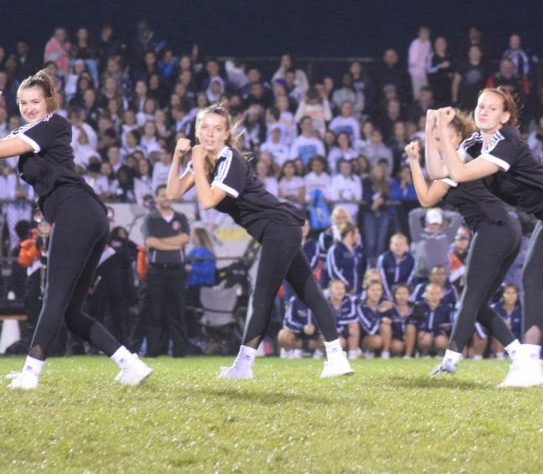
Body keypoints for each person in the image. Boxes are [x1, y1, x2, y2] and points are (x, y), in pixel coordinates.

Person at [166, 103, 353, 379]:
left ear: (227, 135)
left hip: (279, 227)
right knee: (309, 291)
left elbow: (206, 201)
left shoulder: (230, 160)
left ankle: (244, 366)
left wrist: (193, 157)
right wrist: (177, 157)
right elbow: (172, 192)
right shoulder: (205, 162)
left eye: (217, 129)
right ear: (196, 130)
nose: (209, 134)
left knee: (263, 295)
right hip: (278, 229)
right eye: (204, 127)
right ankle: (338, 358)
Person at [436, 87, 543, 387]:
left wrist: (444, 132)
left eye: (492, 108)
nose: (483, 111)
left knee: (531, 280)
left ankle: (530, 364)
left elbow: (457, 175)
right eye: (480, 105)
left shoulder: (505, 141)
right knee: (537, 285)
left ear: (505, 117)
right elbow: (440, 172)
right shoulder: (473, 141)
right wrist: (434, 131)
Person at [5, 70, 152, 390]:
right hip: (86, 215)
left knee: (54, 296)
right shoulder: (27, 130)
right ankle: (131, 364)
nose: (29, 107)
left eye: (35, 101)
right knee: (70, 311)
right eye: (23, 102)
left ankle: (30, 374)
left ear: (49, 103)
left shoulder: (52, 124)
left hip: (77, 211)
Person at [406, 109, 523, 376]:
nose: (436, 144)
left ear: (458, 137)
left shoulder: (458, 159)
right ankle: (519, 355)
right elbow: (430, 188)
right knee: (478, 304)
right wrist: (418, 154)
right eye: (435, 140)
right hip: (507, 229)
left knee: (469, 297)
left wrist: (414, 160)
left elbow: (425, 199)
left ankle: (450, 362)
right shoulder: (458, 160)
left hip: (494, 229)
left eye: (442, 138)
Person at [142, 185, 191, 357]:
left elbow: (185, 238)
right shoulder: (150, 218)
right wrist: (174, 243)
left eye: (168, 195)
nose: (165, 198)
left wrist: (162, 242)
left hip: (176, 270)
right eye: (162, 195)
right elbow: (150, 242)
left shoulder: (181, 217)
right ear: (156, 199)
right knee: (155, 311)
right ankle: (154, 351)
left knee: (177, 311)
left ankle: (179, 352)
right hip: (156, 271)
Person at [376, 233, 416, 301]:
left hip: (402, 290)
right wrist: (389, 297)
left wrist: (402, 293)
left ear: (406, 246)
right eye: (396, 245)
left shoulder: (411, 259)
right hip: (385, 291)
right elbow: (382, 279)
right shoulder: (384, 258)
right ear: (391, 246)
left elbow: (409, 278)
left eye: (401, 245)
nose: (398, 247)